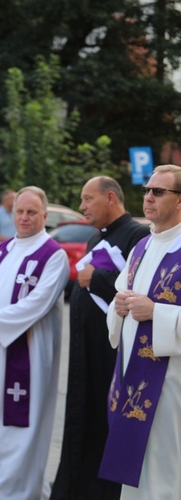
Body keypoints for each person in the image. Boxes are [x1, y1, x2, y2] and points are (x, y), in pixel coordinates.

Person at [0, 186, 69, 499]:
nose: (24, 218)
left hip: (30, 356)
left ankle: (18, 492)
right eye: (19, 212)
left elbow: (37, 302)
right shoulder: (1, 250)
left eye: (31, 212)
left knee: (24, 429)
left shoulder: (53, 254)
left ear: (45, 215)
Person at [52, 177, 149, 499]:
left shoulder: (137, 235)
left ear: (110, 198)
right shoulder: (97, 238)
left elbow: (137, 289)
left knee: (105, 425)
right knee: (84, 420)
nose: (81, 207)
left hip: (112, 354)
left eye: (87, 199)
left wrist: (97, 278)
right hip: (85, 352)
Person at [99, 165, 181, 498]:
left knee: (164, 468)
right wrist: (118, 309)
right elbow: (122, 300)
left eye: (158, 192)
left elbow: (150, 309)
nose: (148, 197)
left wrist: (157, 313)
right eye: (147, 190)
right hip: (131, 376)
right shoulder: (142, 247)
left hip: (171, 382)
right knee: (135, 469)